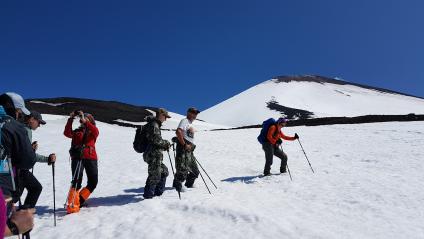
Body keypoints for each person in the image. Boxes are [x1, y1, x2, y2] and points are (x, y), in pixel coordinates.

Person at [16, 111, 56, 209]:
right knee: (14, 197)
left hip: (18, 168)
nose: (39, 126)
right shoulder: (25, 130)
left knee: (35, 188)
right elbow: (26, 154)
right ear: (32, 119)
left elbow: (23, 151)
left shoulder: (19, 127)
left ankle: (22, 216)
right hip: (19, 170)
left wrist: (31, 149)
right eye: (39, 122)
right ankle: (20, 219)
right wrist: (47, 159)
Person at [64, 111, 99, 213]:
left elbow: (96, 132)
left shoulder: (93, 131)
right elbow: (67, 133)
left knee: (93, 182)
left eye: (87, 118)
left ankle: (79, 199)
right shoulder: (77, 131)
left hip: (91, 157)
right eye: (83, 118)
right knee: (76, 181)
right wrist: (71, 119)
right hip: (77, 157)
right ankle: (72, 206)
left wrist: (87, 122)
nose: (83, 120)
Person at [142, 108, 171, 199]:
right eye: (165, 117)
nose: (165, 119)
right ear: (161, 115)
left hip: (155, 154)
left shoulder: (155, 124)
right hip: (153, 155)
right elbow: (156, 140)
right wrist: (166, 143)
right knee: (154, 175)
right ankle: (148, 196)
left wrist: (164, 145)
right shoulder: (154, 125)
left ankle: (158, 194)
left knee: (164, 171)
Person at [172, 107, 201, 193]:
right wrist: (184, 144)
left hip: (189, 149)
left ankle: (188, 186)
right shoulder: (184, 121)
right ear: (188, 113)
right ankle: (177, 187)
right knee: (182, 169)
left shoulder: (190, 124)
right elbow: (178, 132)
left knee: (195, 171)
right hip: (183, 147)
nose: (195, 115)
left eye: (196, 113)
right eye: (193, 113)